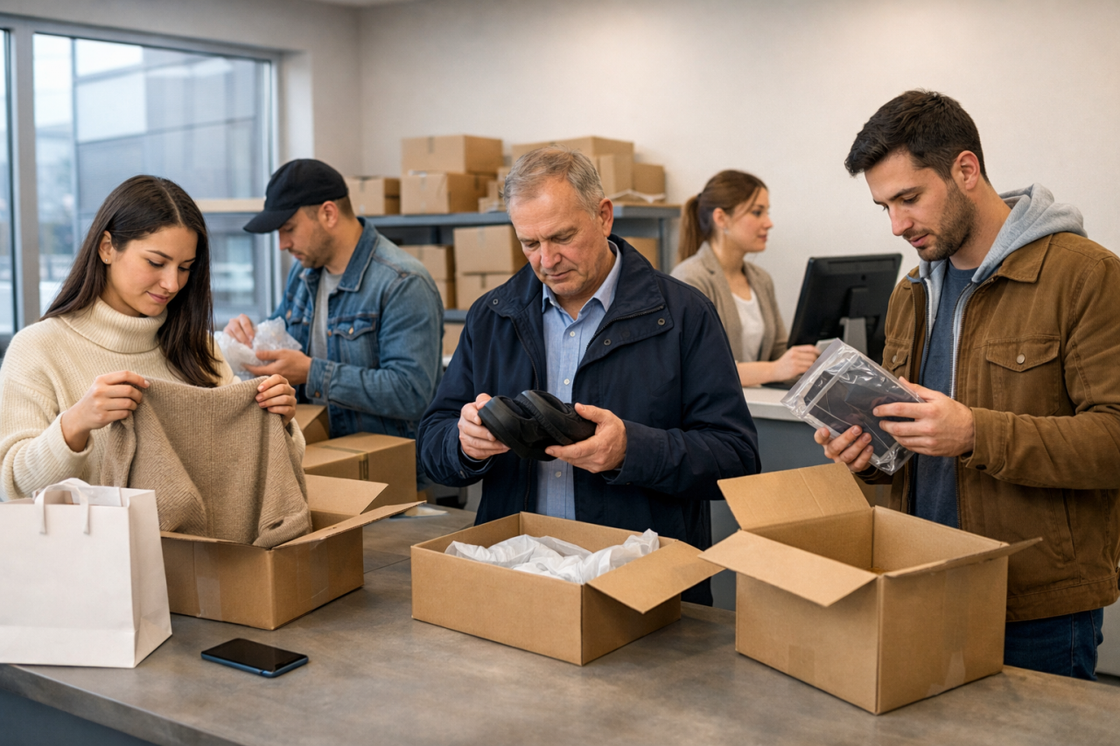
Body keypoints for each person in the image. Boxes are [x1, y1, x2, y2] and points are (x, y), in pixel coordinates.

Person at [817, 90, 1120, 679]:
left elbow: (1113, 438)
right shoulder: (911, 292)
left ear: (965, 170)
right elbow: (910, 446)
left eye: (909, 198)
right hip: (920, 583)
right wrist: (867, 457)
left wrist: (976, 433)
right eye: (884, 206)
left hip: (1033, 605)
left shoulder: (1085, 276)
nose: (897, 225)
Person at [416, 148, 760, 605]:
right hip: (520, 580)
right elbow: (431, 444)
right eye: (529, 243)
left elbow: (736, 458)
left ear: (603, 216)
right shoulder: (492, 315)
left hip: (642, 588)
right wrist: (463, 443)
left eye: (562, 237)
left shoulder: (683, 315)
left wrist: (631, 450)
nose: (547, 260)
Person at [0, 175, 296, 501]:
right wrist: (74, 424)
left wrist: (278, 421)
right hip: (90, 537)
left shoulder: (199, 348)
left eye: (185, 267)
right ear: (107, 248)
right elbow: (11, 486)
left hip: (203, 537)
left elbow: (258, 477)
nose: (172, 284)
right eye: (156, 262)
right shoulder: (37, 349)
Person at [224, 159, 444, 444]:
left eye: (289, 228)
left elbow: (411, 393)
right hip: (316, 448)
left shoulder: (403, 282)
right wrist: (248, 338)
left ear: (328, 214)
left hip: (382, 461)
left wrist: (311, 373)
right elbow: (281, 342)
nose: (282, 244)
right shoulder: (302, 273)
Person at [672, 171, 818, 387]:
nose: (768, 223)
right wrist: (774, 370)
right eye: (757, 212)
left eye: (767, 212)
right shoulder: (689, 278)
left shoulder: (761, 279)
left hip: (758, 402)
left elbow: (779, 353)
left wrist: (808, 361)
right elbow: (698, 369)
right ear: (721, 218)